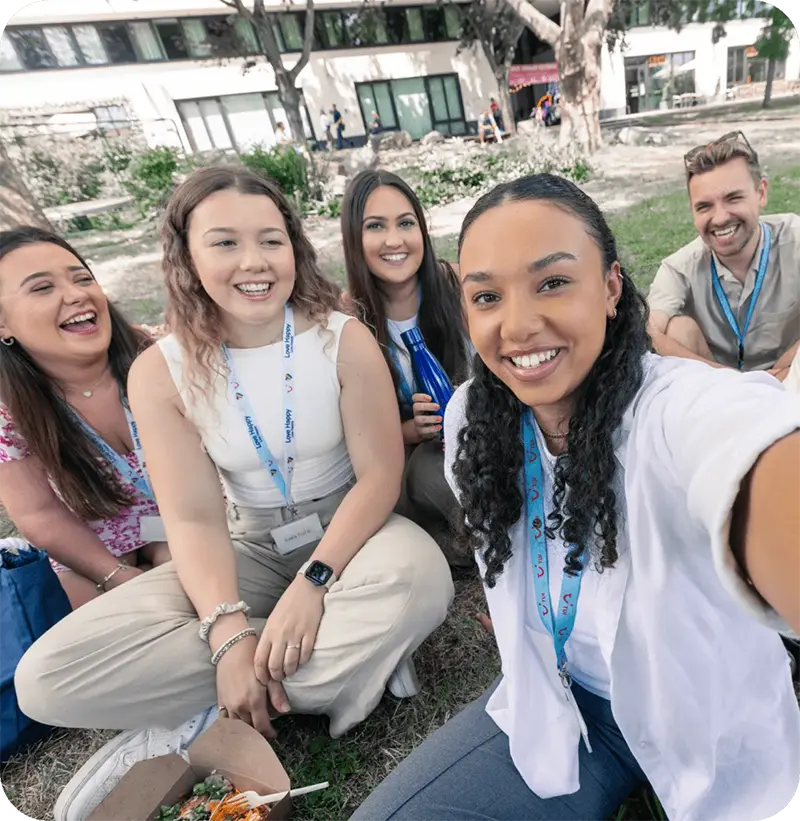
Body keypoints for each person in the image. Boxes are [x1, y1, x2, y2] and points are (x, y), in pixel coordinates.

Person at [350, 173, 800, 821]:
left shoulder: (677, 413)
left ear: (612, 286)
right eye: (486, 295)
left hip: (708, 722)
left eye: (553, 282)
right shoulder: (473, 418)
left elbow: (744, 451)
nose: (519, 323)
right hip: (562, 702)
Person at [15, 167, 452, 819]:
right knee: (45, 679)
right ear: (186, 256)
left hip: (353, 529)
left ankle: (235, 692)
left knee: (421, 583)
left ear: (294, 249)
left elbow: (381, 477)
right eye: (224, 242)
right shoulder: (159, 370)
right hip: (242, 538)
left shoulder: (341, 338)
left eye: (271, 241)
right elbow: (191, 517)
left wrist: (314, 583)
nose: (254, 261)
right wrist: (227, 636)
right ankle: (282, 671)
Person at [0, 227, 169, 610]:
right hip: (93, 550)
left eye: (83, 278)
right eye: (42, 288)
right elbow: (39, 514)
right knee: (95, 626)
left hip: (189, 521)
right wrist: (116, 575)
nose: (77, 294)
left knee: (178, 576)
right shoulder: (8, 412)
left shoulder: (157, 357)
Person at [341, 170, 472, 567]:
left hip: (481, 433)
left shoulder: (457, 286)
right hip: (410, 459)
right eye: (375, 226)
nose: (394, 240)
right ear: (354, 239)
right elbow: (352, 431)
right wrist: (408, 430)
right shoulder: (349, 319)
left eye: (405, 223)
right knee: (422, 478)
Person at [648, 131, 800, 377]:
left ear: (761, 193)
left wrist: (788, 367)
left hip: (791, 379)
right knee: (677, 329)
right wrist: (736, 383)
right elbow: (648, 335)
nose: (719, 218)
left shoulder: (795, 240)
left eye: (733, 198)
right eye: (704, 206)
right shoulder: (679, 268)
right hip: (717, 392)